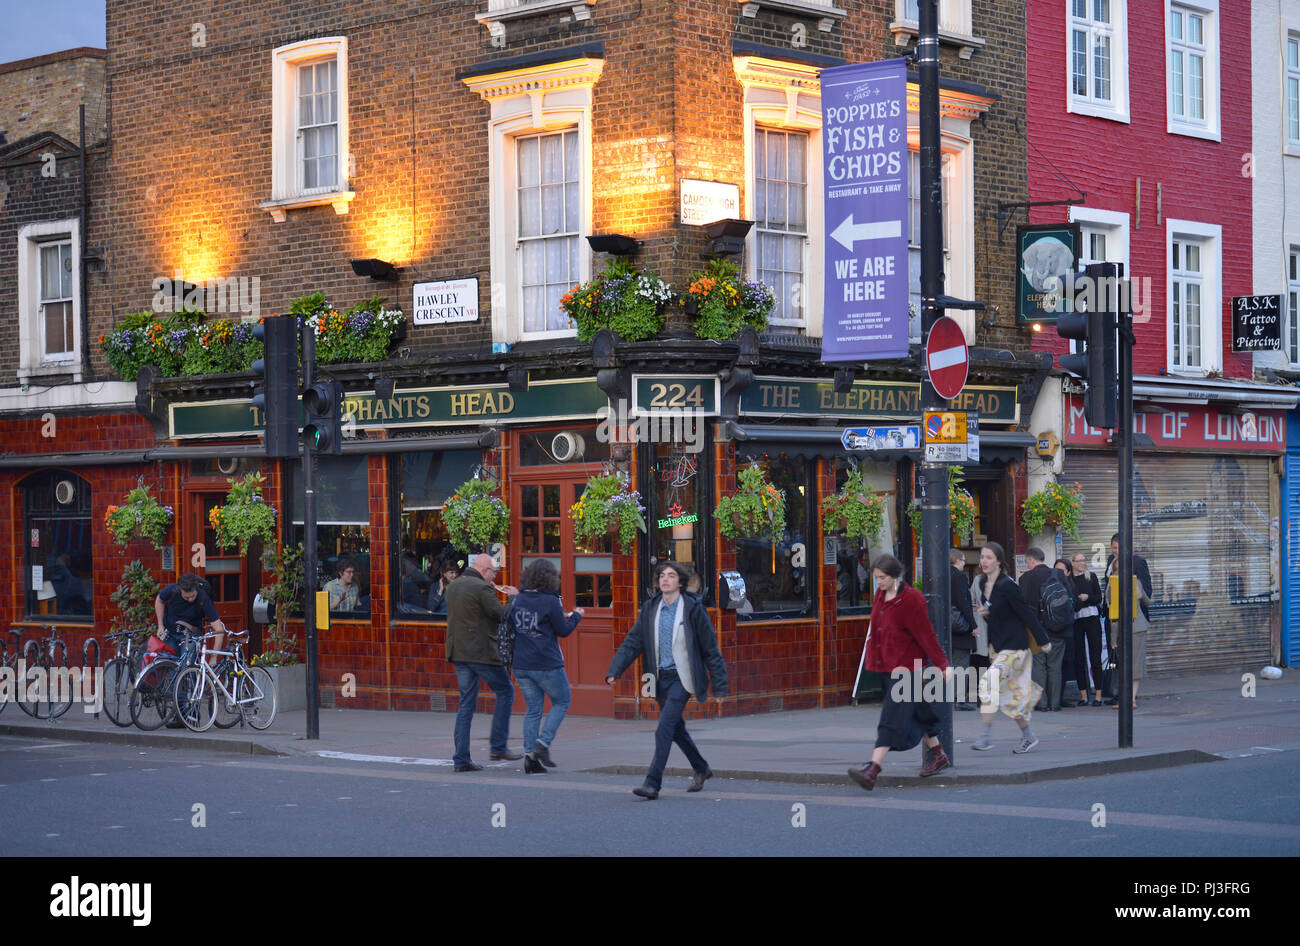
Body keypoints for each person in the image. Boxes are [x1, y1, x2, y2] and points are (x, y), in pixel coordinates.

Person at [606, 561, 727, 799]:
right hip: (661, 678)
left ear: (680, 582)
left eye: (671, 576)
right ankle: (701, 768)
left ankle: (652, 783)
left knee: (663, 729)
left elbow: (711, 649)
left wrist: (720, 685)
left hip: (683, 678)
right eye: (662, 576)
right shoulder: (651, 608)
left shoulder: (693, 609)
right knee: (676, 729)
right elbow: (633, 642)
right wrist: (615, 670)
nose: (665, 579)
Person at [848, 554, 952, 791]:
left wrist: (942, 664)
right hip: (886, 665)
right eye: (876, 578)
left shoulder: (911, 599)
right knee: (919, 712)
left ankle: (872, 769)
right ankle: (938, 754)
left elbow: (926, 635)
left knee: (891, 719)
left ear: (895, 575)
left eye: (882, 577)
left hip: (908, 668)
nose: (878, 582)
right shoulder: (880, 595)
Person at [972, 542, 1051, 753]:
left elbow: (1026, 613)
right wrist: (987, 617)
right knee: (1011, 697)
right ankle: (1028, 736)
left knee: (988, 683)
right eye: (982, 557)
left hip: (1016, 648)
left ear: (999, 560)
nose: (984, 561)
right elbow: (997, 618)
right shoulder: (982, 584)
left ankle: (985, 737)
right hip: (1000, 647)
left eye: (989, 557)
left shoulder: (1007, 585)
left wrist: (1043, 640)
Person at [445, 553, 521, 771]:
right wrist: (514, 597)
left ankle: (461, 759)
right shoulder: (482, 588)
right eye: (494, 572)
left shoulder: (454, 586)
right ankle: (498, 747)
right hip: (481, 653)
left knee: (466, 705)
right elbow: (501, 615)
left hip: (458, 652)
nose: (494, 576)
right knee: (506, 691)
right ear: (485, 570)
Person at [509, 559, 584, 773]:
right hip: (545, 662)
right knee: (562, 701)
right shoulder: (550, 601)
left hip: (521, 664)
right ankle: (543, 744)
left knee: (533, 710)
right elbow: (563, 630)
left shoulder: (519, 599)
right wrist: (577, 616)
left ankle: (529, 758)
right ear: (550, 578)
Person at [1104, 534, 1153, 709]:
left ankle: (1130, 698)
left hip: (1134, 621)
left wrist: (1138, 596)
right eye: (1113, 548)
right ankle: (1121, 696)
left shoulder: (1138, 564)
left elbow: (1148, 593)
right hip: (1115, 621)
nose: (1115, 552)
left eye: (1118, 548)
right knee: (1120, 662)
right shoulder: (1111, 564)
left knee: (1135, 661)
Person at [1021, 547, 1070, 711]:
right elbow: (1070, 599)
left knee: (1038, 666)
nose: (1027, 565)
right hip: (1059, 628)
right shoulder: (1059, 574)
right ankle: (1055, 703)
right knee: (1055, 666)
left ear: (1032, 560)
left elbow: (1023, 607)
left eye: (1027, 562)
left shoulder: (1026, 578)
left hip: (1036, 630)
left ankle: (1041, 703)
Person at [155, 573, 227, 666]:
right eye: (186, 597)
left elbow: (219, 629)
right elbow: (159, 600)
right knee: (168, 666)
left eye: (193, 596)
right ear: (180, 590)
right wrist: (160, 625)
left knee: (187, 667)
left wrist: (214, 656)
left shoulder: (203, 598)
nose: (190, 599)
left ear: (196, 589)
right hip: (170, 633)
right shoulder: (172, 590)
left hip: (190, 636)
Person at [1069, 551, 1105, 706]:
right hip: (1077, 620)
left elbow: (1098, 597)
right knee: (1079, 657)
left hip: (1092, 618)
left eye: (1084, 560)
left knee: (1095, 656)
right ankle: (1083, 695)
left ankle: (1098, 695)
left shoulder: (1091, 577)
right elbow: (1071, 601)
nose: (1082, 563)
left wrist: (1087, 598)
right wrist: (1080, 601)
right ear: (1072, 562)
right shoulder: (1069, 580)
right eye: (1078, 561)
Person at [949, 549, 978, 711]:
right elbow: (962, 602)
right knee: (961, 663)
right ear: (958, 560)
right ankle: (959, 699)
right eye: (964, 560)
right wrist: (973, 624)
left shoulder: (942, 574)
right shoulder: (958, 576)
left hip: (946, 624)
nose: (965, 563)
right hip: (959, 625)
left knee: (949, 663)